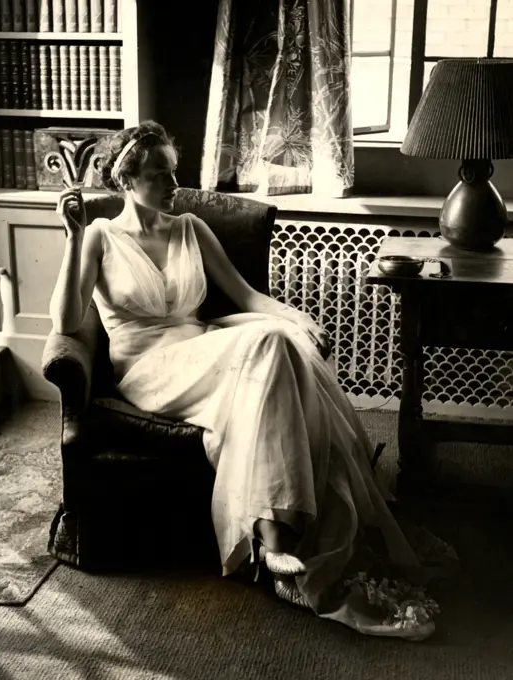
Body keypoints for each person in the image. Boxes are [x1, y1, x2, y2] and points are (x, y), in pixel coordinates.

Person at [50, 120, 451, 641]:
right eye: (159, 175)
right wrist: (72, 237)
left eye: (174, 172)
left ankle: (277, 538)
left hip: (207, 349)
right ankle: (270, 534)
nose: (174, 185)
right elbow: (65, 322)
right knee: (269, 345)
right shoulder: (101, 236)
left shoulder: (191, 227)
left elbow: (248, 299)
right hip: (150, 370)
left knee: (288, 344)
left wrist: (296, 316)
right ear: (126, 181)